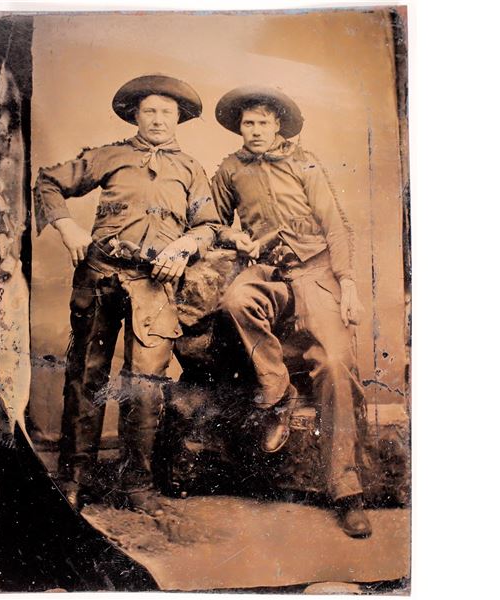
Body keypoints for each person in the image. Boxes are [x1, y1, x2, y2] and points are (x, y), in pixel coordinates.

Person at [34, 75, 219, 516]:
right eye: (149, 111)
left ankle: (137, 484)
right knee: (86, 375)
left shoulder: (191, 169)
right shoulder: (108, 155)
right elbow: (48, 182)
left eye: (167, 113)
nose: (157, 120)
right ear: (135, 114)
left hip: (154, 287)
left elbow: (209, 225)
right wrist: (67, 227)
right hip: (100, 276)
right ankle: (74, 478)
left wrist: (184, 245)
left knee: (147, 386)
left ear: (178, 119)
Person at [211, 86, 372, 538]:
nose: (255, 130)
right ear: (239, 128)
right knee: (235, 301)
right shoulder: (230, 168)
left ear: (278, 125)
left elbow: (336, 226)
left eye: (263, 122)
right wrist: (233, 237)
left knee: (334, 364)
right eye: (248, 123)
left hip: (315, 271)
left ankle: (346, 490)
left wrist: (348, 284)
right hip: (266, 270)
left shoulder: (305, 163)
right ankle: (277, 392)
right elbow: (211, 222)